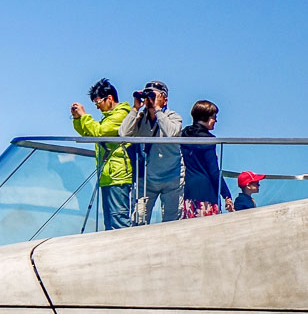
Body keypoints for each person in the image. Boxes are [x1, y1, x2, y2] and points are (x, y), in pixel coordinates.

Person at [72, 78, 133, 230]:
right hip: (108, 175)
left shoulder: (121, 115)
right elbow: (89, 132)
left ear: (109, 98)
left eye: (98, 103)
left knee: (119, 220)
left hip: (118, 176)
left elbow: (99, 132)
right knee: (109, 223)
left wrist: (84, 115)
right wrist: (77, 118)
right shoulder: (109, 118)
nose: (98, 108)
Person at [119, 80, 183, 224]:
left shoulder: (174, 117)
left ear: (164, 99)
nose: (149, 100)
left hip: (172, 177)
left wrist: (158, 110)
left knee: (171, 222)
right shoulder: (141, 118)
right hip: (148, 178)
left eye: (153, 96)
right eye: (147, 95)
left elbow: (171, 133)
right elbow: (123, 133)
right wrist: (135, 108)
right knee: (139, 220)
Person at [180, 100, 232, 218]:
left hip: (189, 190)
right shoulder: (208, 140)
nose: (216, 120)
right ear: (205, 118)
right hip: (207, 191)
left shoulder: (184, 135)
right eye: (214, 117)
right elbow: (214, 171)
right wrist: (226, 194)